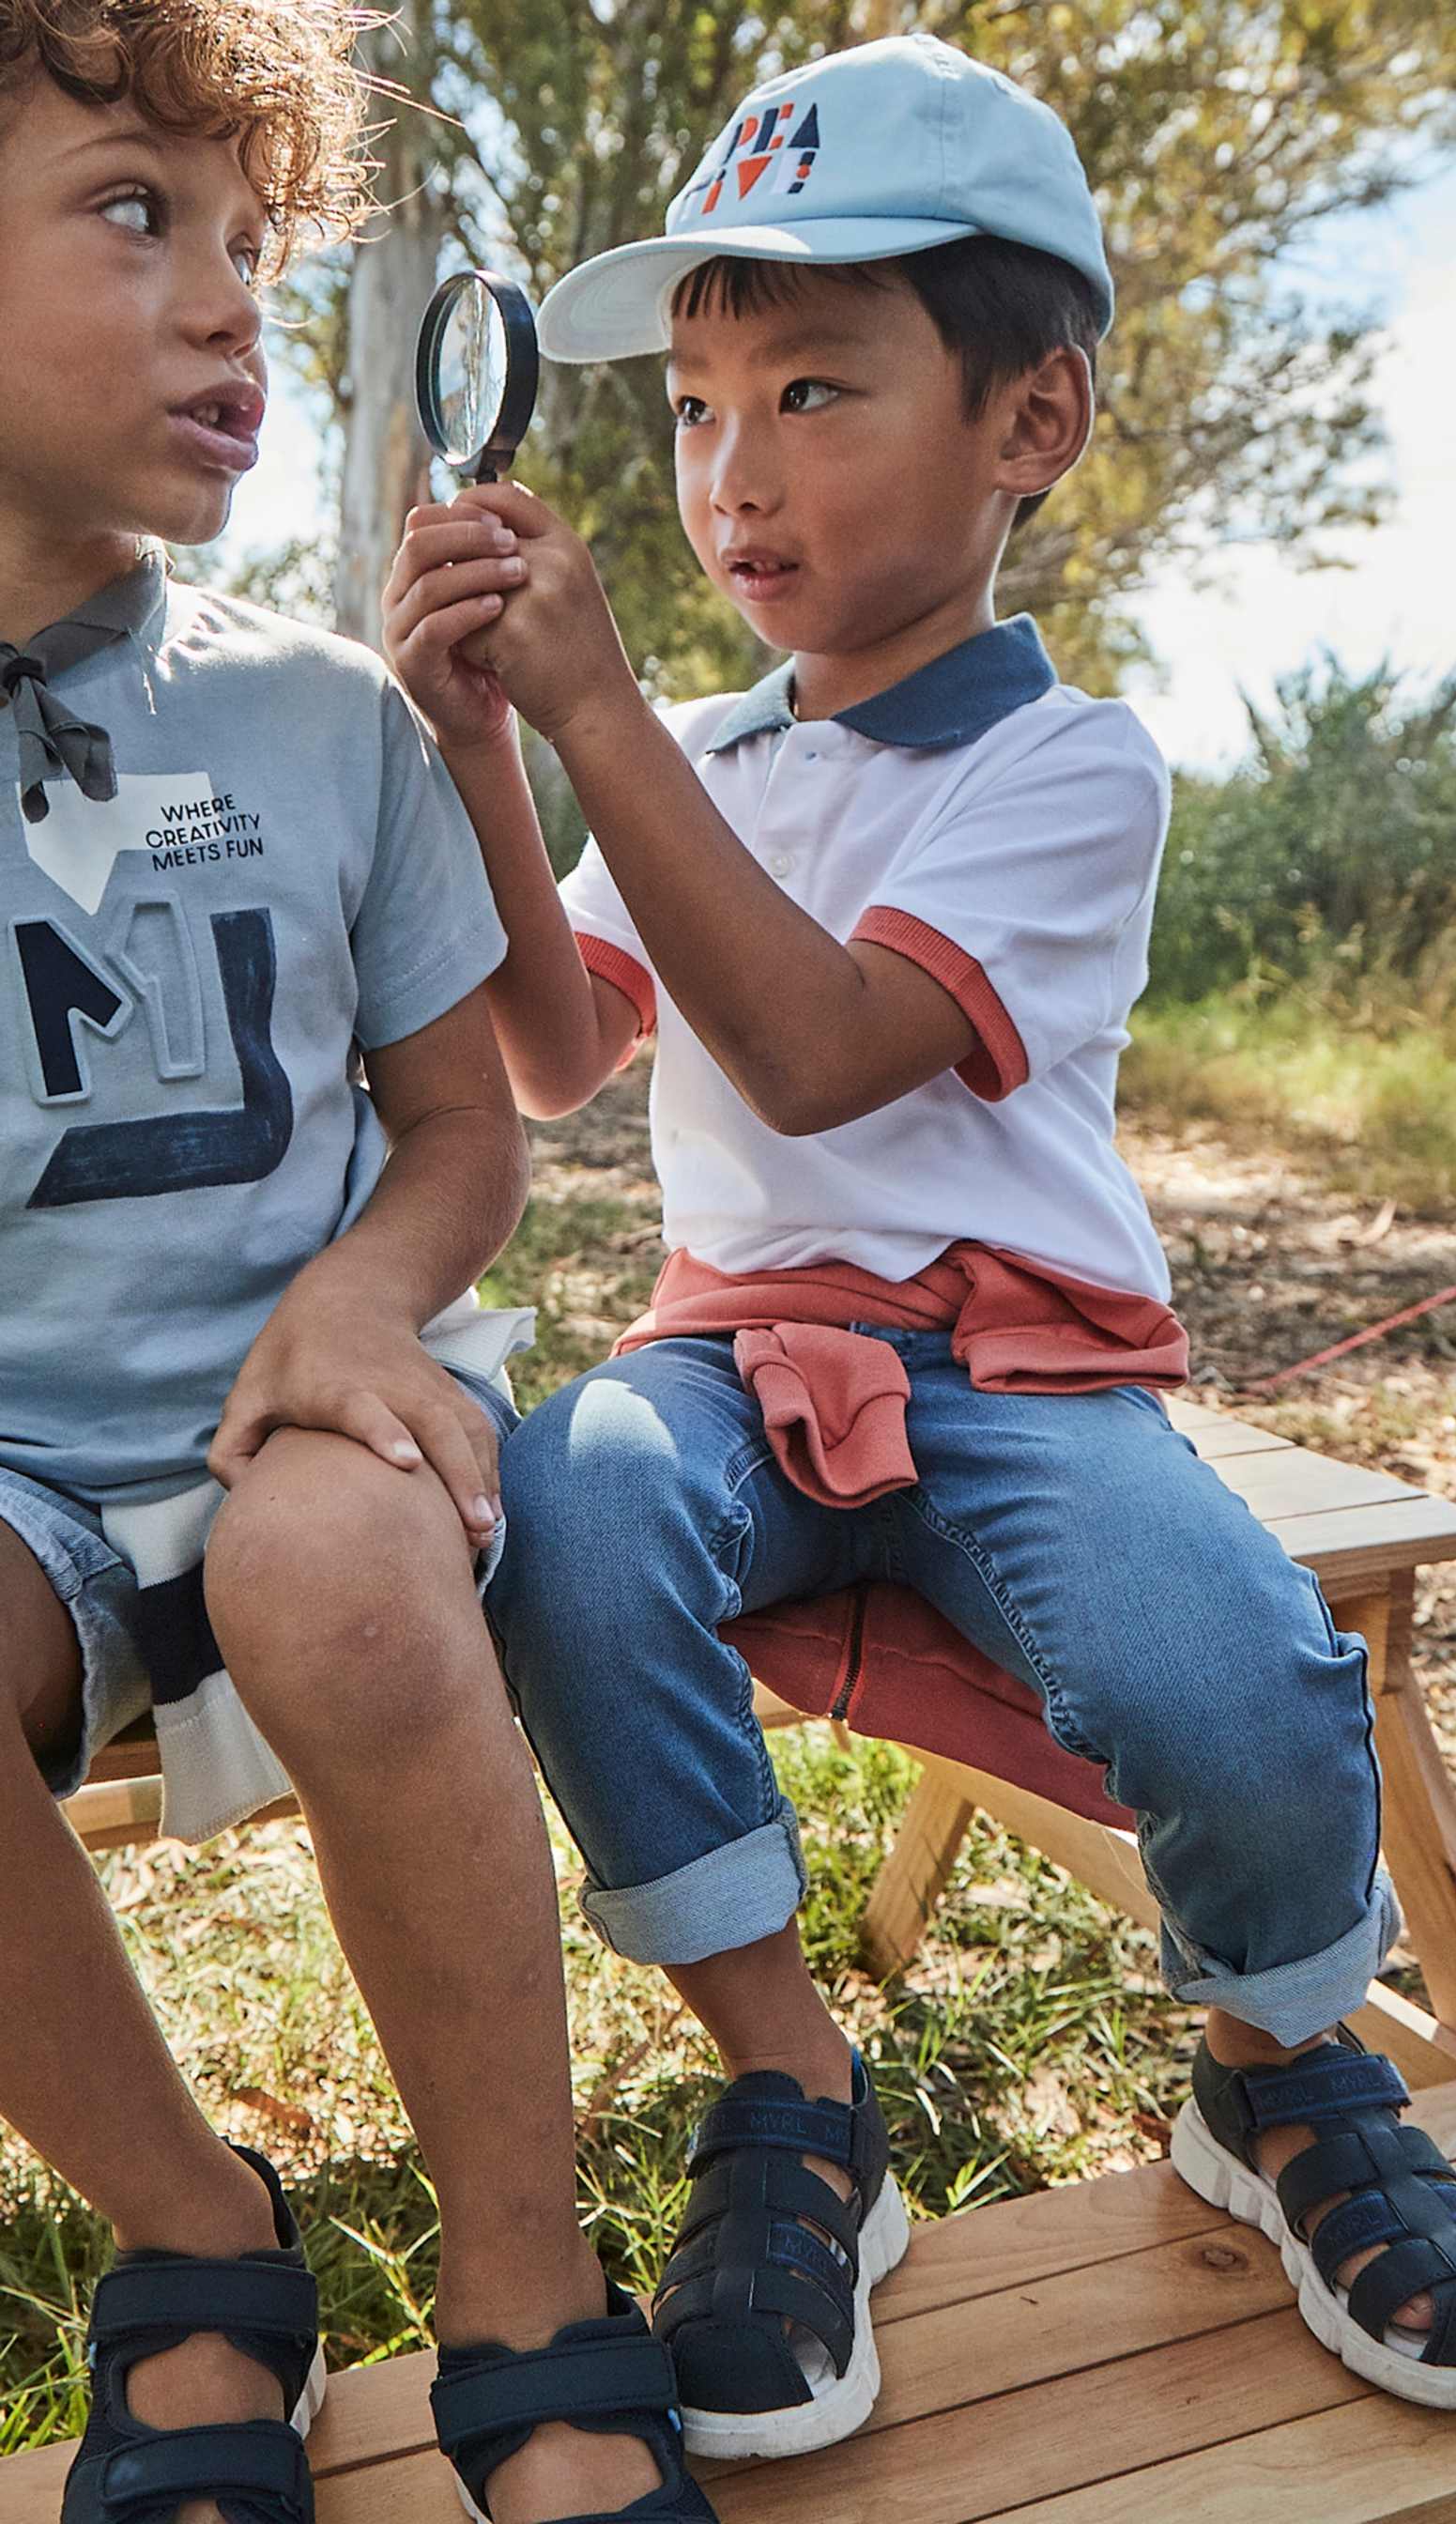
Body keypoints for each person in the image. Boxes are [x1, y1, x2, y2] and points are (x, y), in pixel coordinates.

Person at [383, 30, 1456, 2467]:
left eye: (814, 390)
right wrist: (495, 749)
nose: (733, 470)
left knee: (1223, 1654)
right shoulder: (691, 751)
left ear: (1031, 424)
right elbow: (551, 1055)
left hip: (1021, 1376)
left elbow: (814, 1052)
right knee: (569, 1493)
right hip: (736, 1357)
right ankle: (797, 2095)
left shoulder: (1070, 762)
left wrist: (592, 715)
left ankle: (1277, 2068)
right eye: (699, 409)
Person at [0, 5, 715, 2518]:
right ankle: (199, 2246)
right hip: (26, 1488)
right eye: (133, 216)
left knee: (347, 1585)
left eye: (253, 247)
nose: (229, 307)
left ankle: (526, 2284)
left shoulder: (325, 720)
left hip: (322, 1407)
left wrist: (356, 1299)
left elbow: (463, 1127)